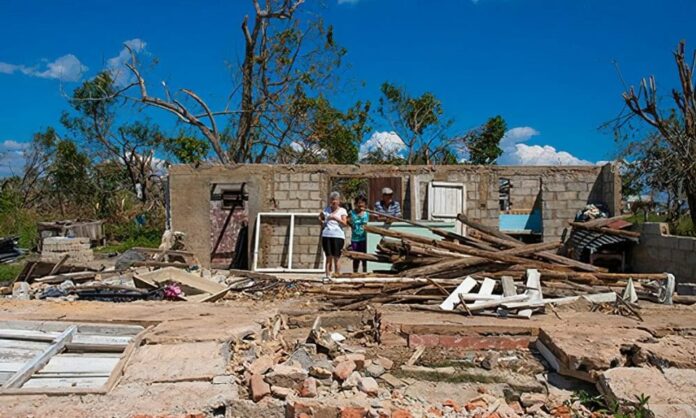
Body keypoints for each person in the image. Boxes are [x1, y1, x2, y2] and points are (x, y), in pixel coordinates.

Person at [319, 191, 348, 278]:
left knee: (337, 257)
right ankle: (328, 275)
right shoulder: (326, 210)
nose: (333, 202)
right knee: (328, 257)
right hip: (327, 235)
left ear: (339, 201)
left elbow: (344, 223)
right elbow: (320, 218)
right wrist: (322, 221)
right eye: (332, 200)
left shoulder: (342, 210)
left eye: (335, 200)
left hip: (337, 236)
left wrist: (335, 218)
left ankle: (337, 275)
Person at [348, 195, 369, 273]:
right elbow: (347, 220)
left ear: (365, 204)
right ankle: (355, 274)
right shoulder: (352, 212)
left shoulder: (367, 213)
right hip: (355, 239)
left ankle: (365, 273)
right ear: (356, 204)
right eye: (358, 203)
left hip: (365, 239)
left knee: (365, 258)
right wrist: (352, 225)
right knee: (356, 258)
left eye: (362, 203)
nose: (360, 204)